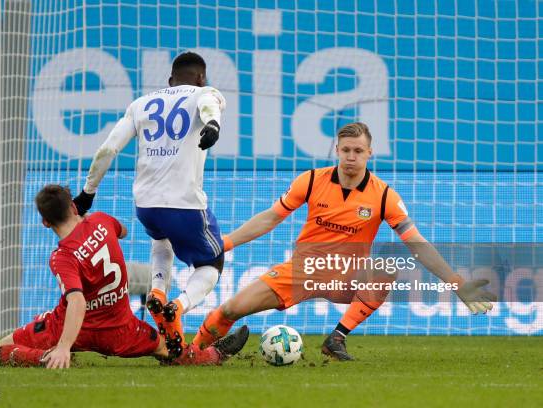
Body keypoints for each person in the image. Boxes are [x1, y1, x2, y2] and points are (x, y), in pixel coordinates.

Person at [191, 122, 496, 360]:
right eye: (346, 150)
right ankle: (191, 353)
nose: (351, 157)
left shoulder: (384, 196)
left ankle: (336, 338)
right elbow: (271, 218)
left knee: (385, 269)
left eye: (358, 151)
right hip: (303, 271)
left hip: (347, 275)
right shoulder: (310, 180)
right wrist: (225, 243)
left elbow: (416, 243)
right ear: (337, 150)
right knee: (231, 309)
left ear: (369, 153)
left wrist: (457, 283)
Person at [0, 185, 248, 368]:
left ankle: (46, 358)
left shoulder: (61, 256)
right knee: (171, 350)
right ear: (74, 208)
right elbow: (122, 231)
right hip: (120, 329)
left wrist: (64, 346)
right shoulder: (100, 220)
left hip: (69, 328)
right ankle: (215, 354)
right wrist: (88, 223)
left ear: (45, 223)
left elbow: (77, 301)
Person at [72, 52, 226, 357]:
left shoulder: (141, 104)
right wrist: (212, 126)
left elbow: (107, 149)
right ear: (200, 78)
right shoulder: (204, 93)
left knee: (161, 241)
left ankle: (157, 291)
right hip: (184, 205)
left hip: (146, 206)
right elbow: (209, 107)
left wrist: (88, 192)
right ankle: (177, 306)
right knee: (212, 264)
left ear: (169, 80)